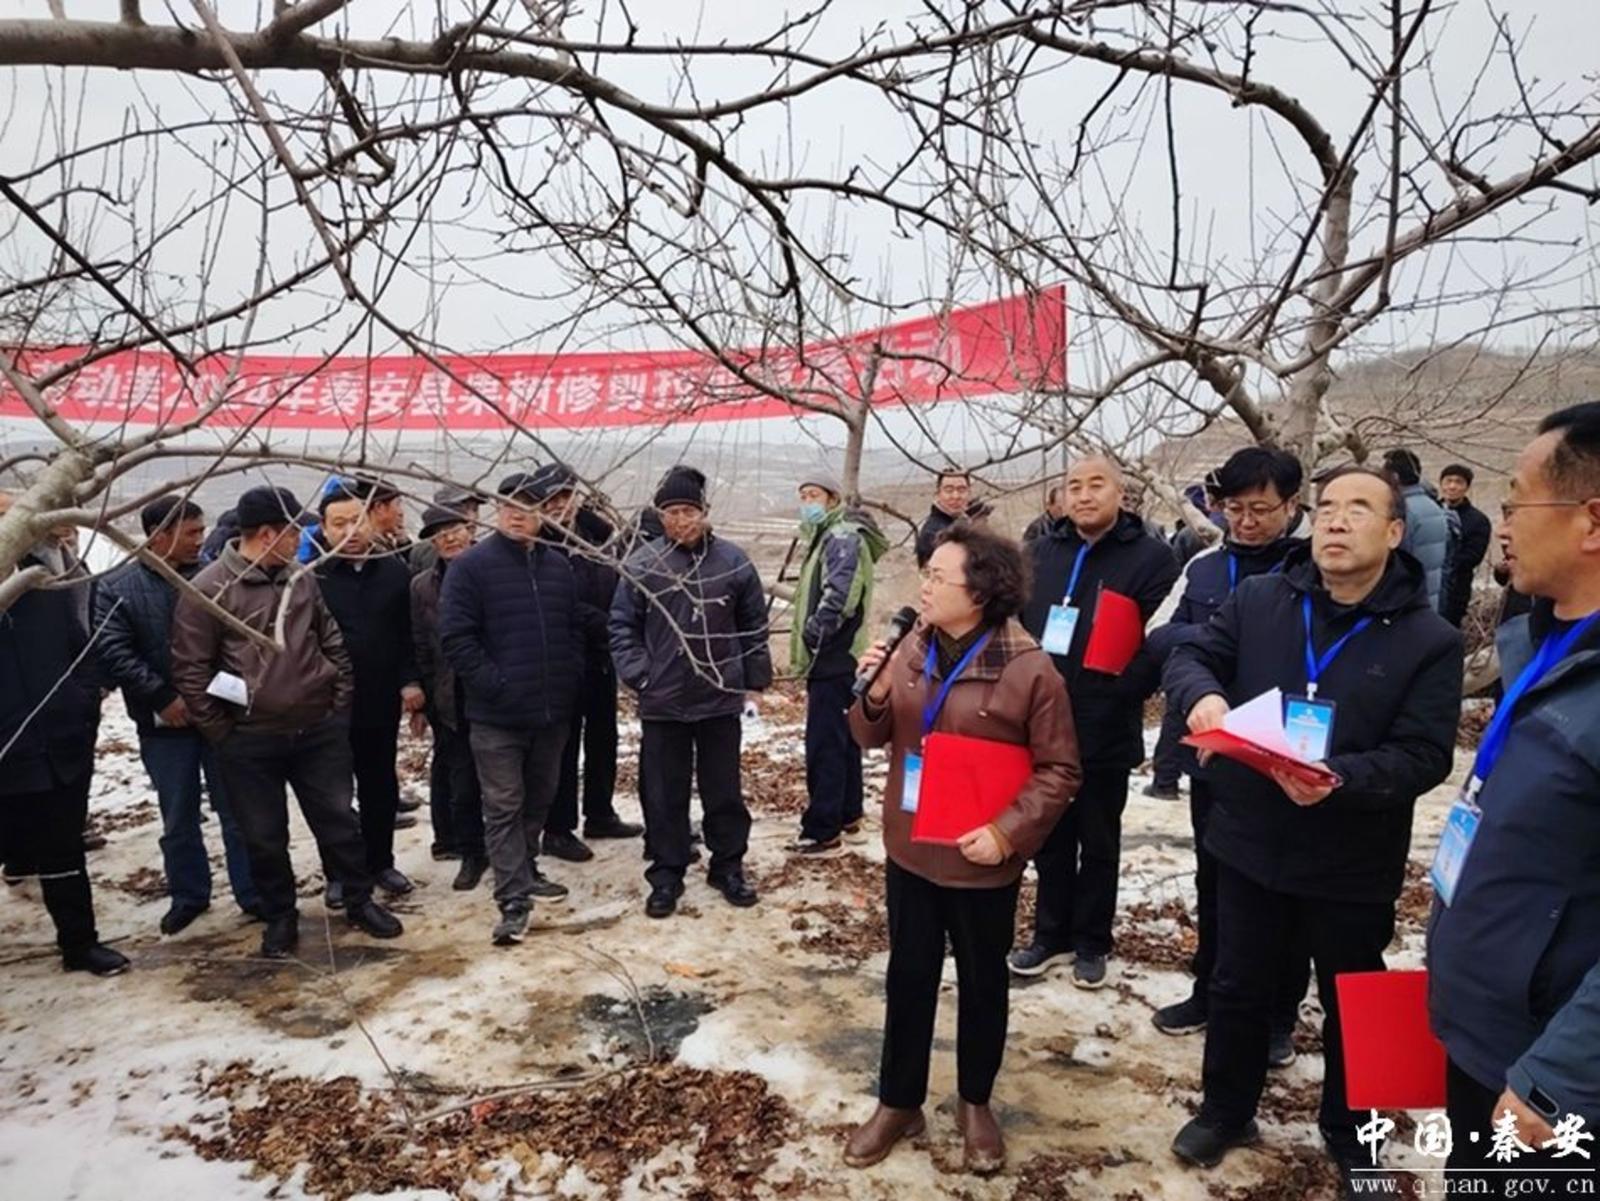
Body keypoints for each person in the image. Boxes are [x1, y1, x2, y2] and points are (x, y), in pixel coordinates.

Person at [1163, 466, 1462, 1191]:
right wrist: (1202, 696)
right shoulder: (1263, 599)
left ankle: (1354, 1128)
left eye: (1358, 508)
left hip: (1350, 853)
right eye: (1327, 507)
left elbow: (1425, 753)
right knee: (1236, 982)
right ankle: (1226, 1109)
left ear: (1394, 532)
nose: (1336, 520)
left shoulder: (1429, 638)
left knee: (1354, 997)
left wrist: (1342, 779)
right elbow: (1191, 654)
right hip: (1250, 836)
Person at [844, 523, 1080, 1174]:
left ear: (979, 591)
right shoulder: (910, 648)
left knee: (982, 981)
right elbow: (865, 735)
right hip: (912, 847)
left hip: (982, 860)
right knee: (909, 976)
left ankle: (975, 1101)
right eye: (925, 574)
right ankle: (899, 1101)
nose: (924, 586)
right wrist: (877, 695)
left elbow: (1060, 770)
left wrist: (1007, 832)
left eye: (937, 577)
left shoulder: (1029, 668)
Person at [1429, 403, 1600, 1185]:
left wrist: (1561, 1075)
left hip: (1550, 1078)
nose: (1503, 527)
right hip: (1489, 1036)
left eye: (1517, 503)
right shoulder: (1541, 640)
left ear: (1590, 520)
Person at [171, 485, 404, 959]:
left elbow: (330, 639)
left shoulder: (301, 579)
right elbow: (191, 669)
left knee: (339, 822)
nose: (303, 537)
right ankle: (280, 916)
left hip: (318, 730)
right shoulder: (209, 590)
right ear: (267, 534)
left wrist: (337, 704)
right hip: (249, 739)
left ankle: (359, 900)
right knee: (264, 836)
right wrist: (223, 732)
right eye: (295, 530)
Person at [1145, 447, 1311, 1066]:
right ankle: (1209, 991)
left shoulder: (1311, 567)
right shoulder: (1206, 565)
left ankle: (1278, 1014)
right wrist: (1226, 641)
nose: (1245, 522)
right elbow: (1157, 635)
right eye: (1234, 509)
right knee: (1214, 880)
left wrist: (1232, 647)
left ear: (1292, 505)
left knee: (1282, 890)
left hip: (1286, 756)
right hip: (1214, 751)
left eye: (1260, 509)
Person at [1011, 454, 1180, 988]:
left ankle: (1092, 941)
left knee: (1099, 838)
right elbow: (1015, 623)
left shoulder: (1152, 556)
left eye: (1096, 485)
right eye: (1074, 486)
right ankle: (1050, 934)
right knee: (1049, 835)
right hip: (1042, 717)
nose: (1084, 496)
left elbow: (1158, 639)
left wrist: (1122, 691)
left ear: (1119, 493)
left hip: (1105, 719)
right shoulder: (1041, 551)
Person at [93, 495, 261, 934]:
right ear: (158, 535)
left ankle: (253, 892)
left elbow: (238, 640)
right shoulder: (117, 586)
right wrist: (162, 697)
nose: (200, 540)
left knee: (237, 811)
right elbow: (114, 649)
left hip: (219, 717)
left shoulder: (215, 579)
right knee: (178, 816)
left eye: (202, 530)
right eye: (191, 532)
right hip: (164, 725)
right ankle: (189, 896)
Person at [610, 466, 771, 919]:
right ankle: (667, 873)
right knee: (665, 793)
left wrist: (753, 683)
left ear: (704, 512)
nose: (680, 520)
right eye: (671, 512)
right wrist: (641, 675)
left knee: (724, 790)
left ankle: (728, 866)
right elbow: (621, 626)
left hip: (719, 695)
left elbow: (753, 627)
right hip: (663, 700)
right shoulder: (643, 564)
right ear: (660, 516)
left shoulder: (733, 562)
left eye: (688, 511)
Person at [439, 472, 591, 946]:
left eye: (529, 506)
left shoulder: (557, 567)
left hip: (550, 712)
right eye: (509, 505)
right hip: (497, 715)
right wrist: (495, 686)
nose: (518, 514)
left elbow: (573, 627)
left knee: (538, 798)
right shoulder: (471, 567)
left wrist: (568, 677)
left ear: (545, 513)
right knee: (503, 804)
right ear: (496, 511)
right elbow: (456, 639)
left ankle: (524, 867)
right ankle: (513, 899)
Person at [0, 490, 128, 976]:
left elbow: (85, 647)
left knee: (64, 852)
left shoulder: (48, 584)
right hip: (7, 750)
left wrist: (84, 701)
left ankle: (79, 944)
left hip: (59, 744)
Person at [314, 481, 426, 901]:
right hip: (327, 706)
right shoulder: (312, 578)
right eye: (338, 523)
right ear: (324, 528)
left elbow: (408, 634)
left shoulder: (394, 572)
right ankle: (340, 874)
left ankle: (381, 862)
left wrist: (410, 680)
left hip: (379, 700)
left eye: (357, 521)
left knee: (379, 786)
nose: (350, 531)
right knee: (332, 796)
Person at [532, 463, 641, 862]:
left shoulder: (596, 537)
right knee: (563, 745)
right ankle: (558, 828)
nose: (559, 505)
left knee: (603, 736)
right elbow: (559, 604)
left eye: (565, 496)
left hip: (600, 655)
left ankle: (600, 812)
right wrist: (609, 624)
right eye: (551, 499)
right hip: (561, 658)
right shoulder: (539, 545)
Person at [789, 468, 889, 856]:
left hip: (832, 656)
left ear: (831, 499)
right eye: (803, 496)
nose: (807, 503)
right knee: (845, 740)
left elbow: (841, 596)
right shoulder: (830, 535)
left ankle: (822, 828)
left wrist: (814, 634)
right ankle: (849, 814)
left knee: (825, 744)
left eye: (813, 495)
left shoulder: (841, 536)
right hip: (842, 656)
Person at [410, 503, 487, 890]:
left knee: (504, 780)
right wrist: (424, 698)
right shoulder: (422, 586)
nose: (450, 538)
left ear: (470, 529)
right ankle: (471, 851)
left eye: (455, 529)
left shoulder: (493, 571)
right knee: (462, 782)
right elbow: (421, 645)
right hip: (448, 699)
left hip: (491, 693)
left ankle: (514, 850)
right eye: (440, 534)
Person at [1382, 448, 1459, 612]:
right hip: (1428, 601)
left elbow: (1397, 561)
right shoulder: (1434, 507)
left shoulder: (1403, 511)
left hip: (1405, 604)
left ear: (1394, 477)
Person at [1438, 463, 1493, 628]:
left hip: (1456, 590)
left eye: (1458, 482)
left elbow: (1473, 557)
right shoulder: (1431, 512)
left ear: (1467, 487)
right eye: (1448, 481)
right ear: (1441, 484)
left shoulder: (1478, 520)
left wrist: (1444, 561)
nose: (1452, 486)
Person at [916, 469, 985, 569]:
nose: (956, 496)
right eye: (949, 490)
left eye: (961, 490)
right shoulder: (932, 532)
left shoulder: (968, 524)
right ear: (938, 494)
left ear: (969, 494)